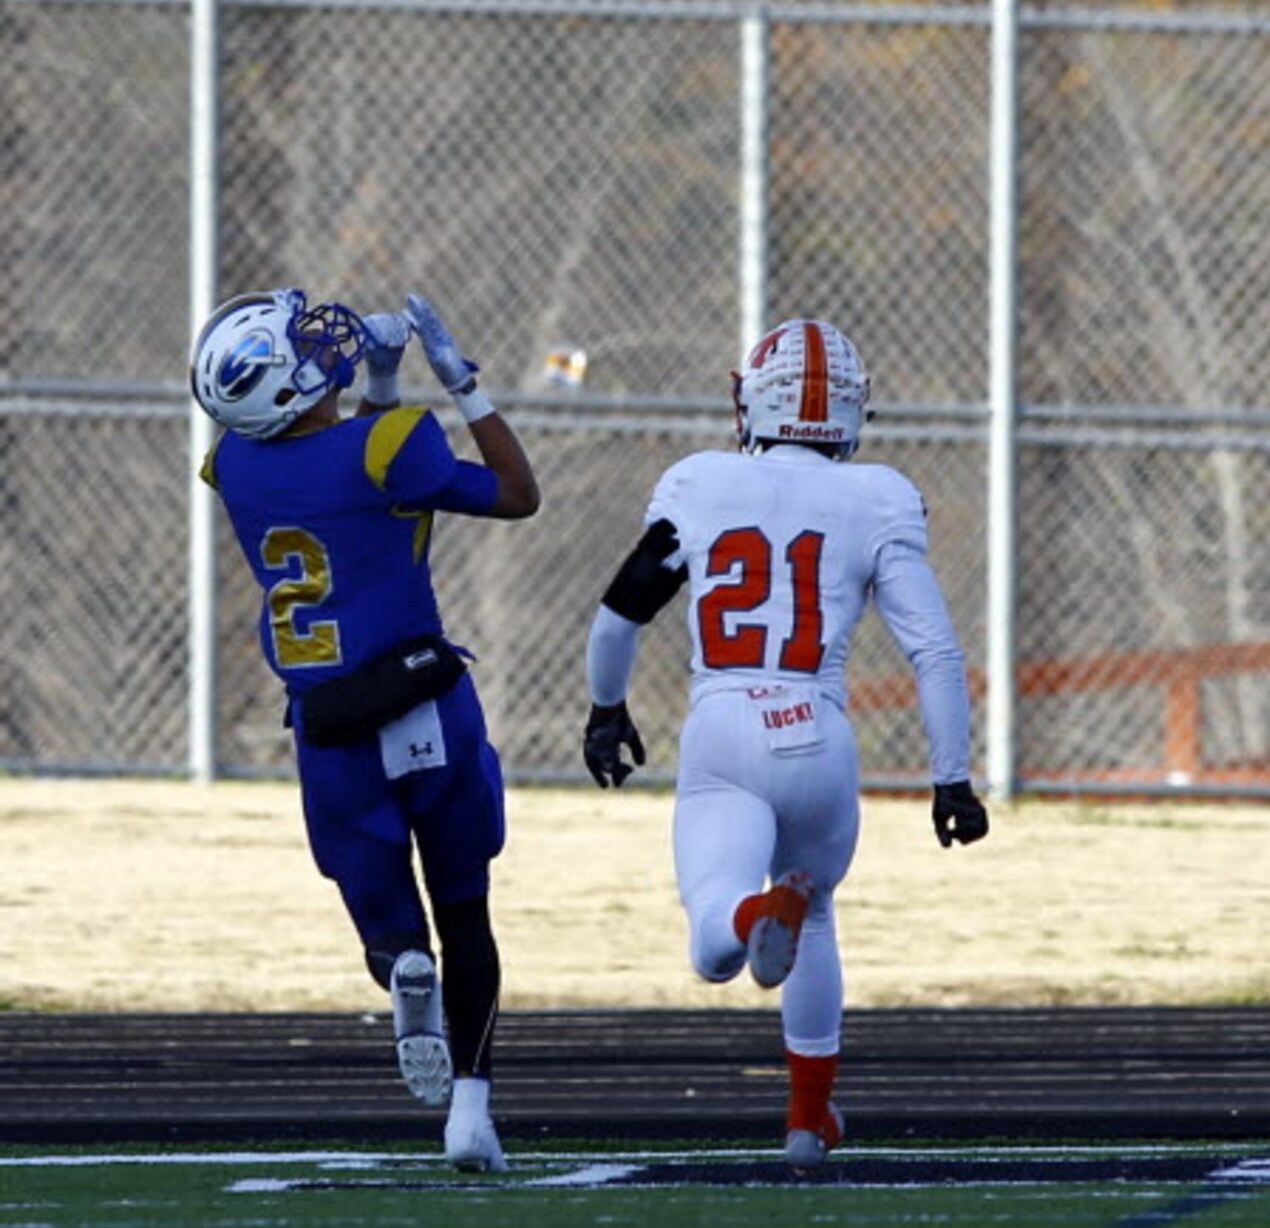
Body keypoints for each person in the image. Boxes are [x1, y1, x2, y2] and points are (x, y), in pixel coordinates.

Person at [580, 316, 986, 1169]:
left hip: (725, 725)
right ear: (849, 413)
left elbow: (621, 612)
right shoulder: (877, 496)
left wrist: (606, 709)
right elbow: (936, 650)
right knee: (823, 916)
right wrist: (952, 778)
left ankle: (754, 915)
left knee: (712, 944)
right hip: (819, 731)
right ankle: (809, 1120)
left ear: (750, 401)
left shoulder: (699, 482)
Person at [189, 288, 539, 1174]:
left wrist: (378, 383)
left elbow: (352, 466)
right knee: (466, 908)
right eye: (299, 345)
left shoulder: (232, 465)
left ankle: (400, 968)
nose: (322, 343)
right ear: (277, 383)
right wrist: (461, 385)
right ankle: (471, 1110)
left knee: (393, 932)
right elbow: (512, 493)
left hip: (331, 726)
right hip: (427, 702)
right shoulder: (393, 445)